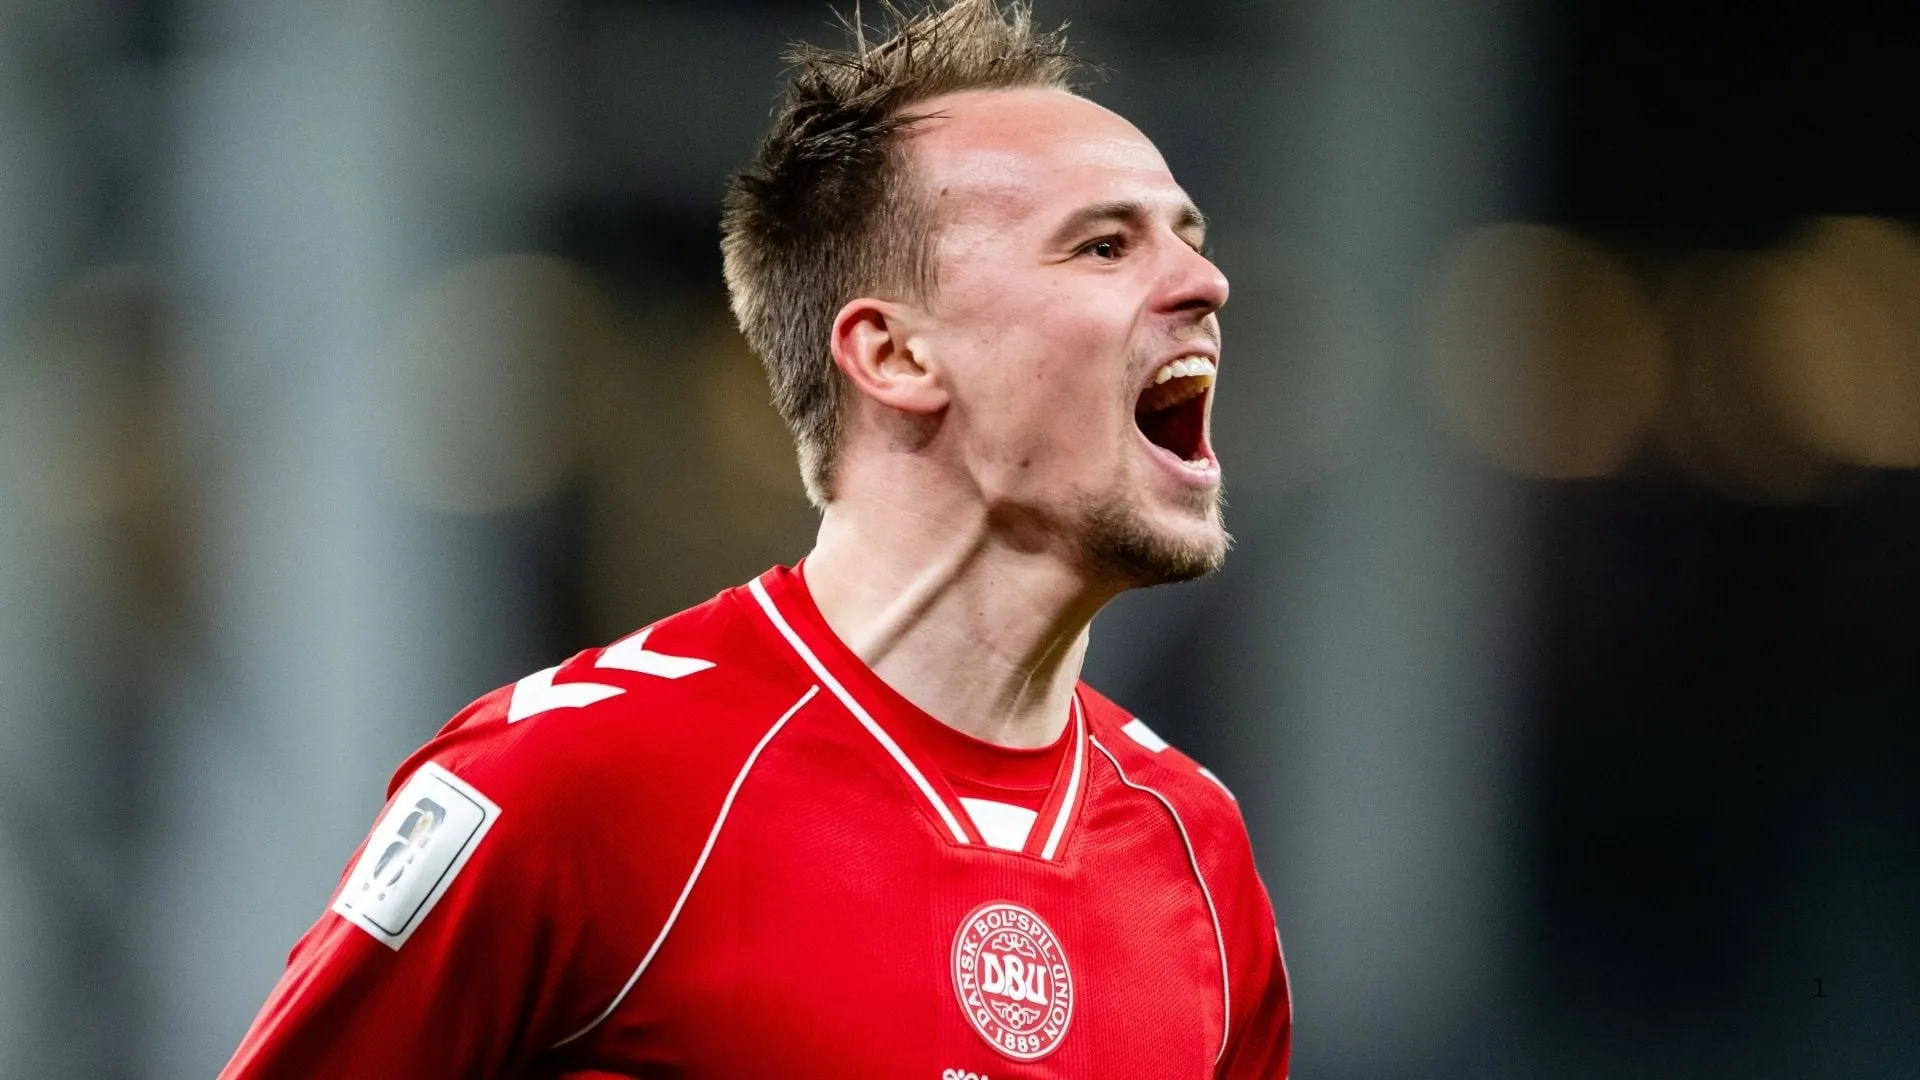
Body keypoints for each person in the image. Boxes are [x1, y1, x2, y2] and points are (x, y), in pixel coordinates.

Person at [220, 2, 1291, 1076]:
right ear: (896, 356)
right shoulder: (577, 783)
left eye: (1189, 241)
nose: (1206, 285)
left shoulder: (1196, 853)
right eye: (1104, 246)